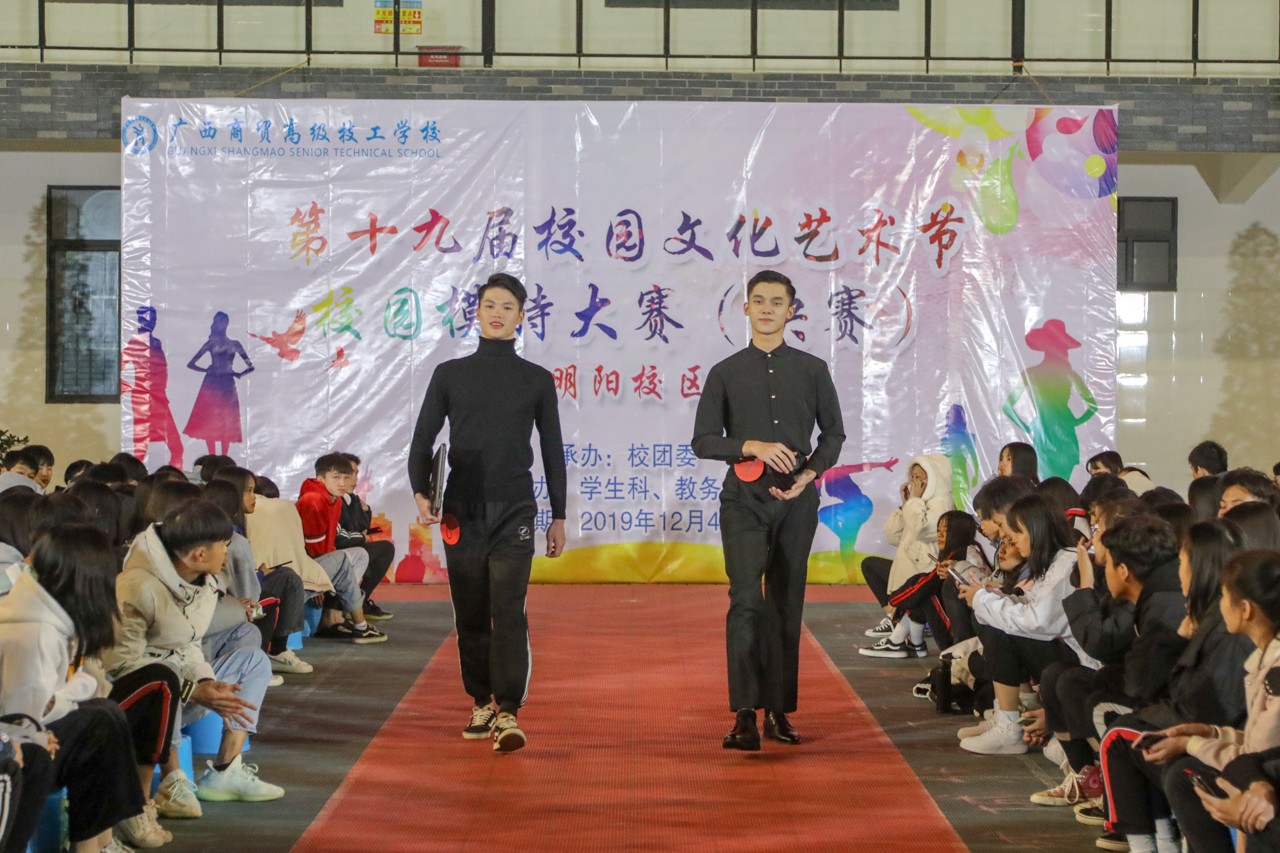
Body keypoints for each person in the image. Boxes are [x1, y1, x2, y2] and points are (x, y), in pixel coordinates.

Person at [409, 272, 568, 753]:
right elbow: (422, 441)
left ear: (522, 317)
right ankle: (480, 701)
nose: (497, 313)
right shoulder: (449, 375)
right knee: (471, 611)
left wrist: (558, 515)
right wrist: (421, 491)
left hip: (515, 508)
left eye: (507, 307)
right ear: (476, 312)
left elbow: (553, 451)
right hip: (461, 511)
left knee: (509, 609)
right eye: (490, 305)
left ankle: (509, 710)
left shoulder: (536, 379)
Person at [690, 269, 845, 751]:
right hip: (743, 501)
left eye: (777, 302)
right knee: (745, 602)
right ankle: (743, 715)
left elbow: (834, 434)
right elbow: (703, 441)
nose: (767, 309)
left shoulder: (813, 369)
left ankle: (778, 711)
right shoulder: (725, 372)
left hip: (797, 502)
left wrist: (809, 474)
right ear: (746, 308)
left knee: (785, 602)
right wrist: (751, 445)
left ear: (791, 311)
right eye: (759, 300)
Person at [103, 499, 285, 806]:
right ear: (199, 554)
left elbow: (189, 642)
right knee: (166, 676)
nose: (227, 553)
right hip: (136, 704)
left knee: (254, 661)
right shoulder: (135, 587)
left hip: (180, 689)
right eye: (224, 545)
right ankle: (173, 782)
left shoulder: (204, 581)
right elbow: (121, 667)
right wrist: (192, 690)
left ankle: (226, 769)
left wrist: (205, 681)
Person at [0, 526, 148, 853]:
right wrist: (81, 687)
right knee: (99, 723)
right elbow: (26, 717)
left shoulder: (35, 608)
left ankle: (99, 843)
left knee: (102, 714)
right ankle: (96, 844)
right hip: (18, 749)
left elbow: (42, 703)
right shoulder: (36, 632)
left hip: (20, 734)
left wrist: (75, 690)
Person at [860, 454, 953, 658]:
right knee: (870, 565)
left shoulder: (942, 502)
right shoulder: (917, 502)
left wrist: (914, 502)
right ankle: (897, 622)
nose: (915, 482)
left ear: (934, 477)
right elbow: (893, 536)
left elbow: (923, 529)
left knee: (916, 593)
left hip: (925, 571)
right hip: (910, 568)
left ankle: (900, 638)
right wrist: (905, 504)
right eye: (912, 477)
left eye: (920, 477)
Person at [296, 454, 385, 644]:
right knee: (343, 560)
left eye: (346, 477)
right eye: (336, 477)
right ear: (321, 479)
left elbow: (329, 544)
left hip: (320, 561)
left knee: (361, 554)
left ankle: (338, 611)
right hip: (303, 566)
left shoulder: (334, 499)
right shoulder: (313, 500)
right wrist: (319, 584)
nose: (342, 483)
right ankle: (357, 624)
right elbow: (310, 550)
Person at [334, 452, 395, 621]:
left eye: (356, 473)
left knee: (384, 549)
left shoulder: (352, 499)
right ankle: (352, 604)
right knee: (381, 549)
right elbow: (342, 536)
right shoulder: (331, 499)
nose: (354, 479)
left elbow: (362, 528)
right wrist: (361, 537)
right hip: (335, 552)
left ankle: (360, 601)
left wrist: (366, 511)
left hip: (351, 548)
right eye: (349, 473)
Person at [183, 311, 253, 456]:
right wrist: (206, 370)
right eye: (218, 321)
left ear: (226, 323)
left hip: (224, 383)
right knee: (210, 420)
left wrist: (239, 374)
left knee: (225, 420)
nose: (219, 324)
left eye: (221, 321)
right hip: (213, 384)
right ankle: (212, 457)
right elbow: (191, 364)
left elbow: (250, 366)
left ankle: (223, 457)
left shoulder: (233, 344)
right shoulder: (212, 343)